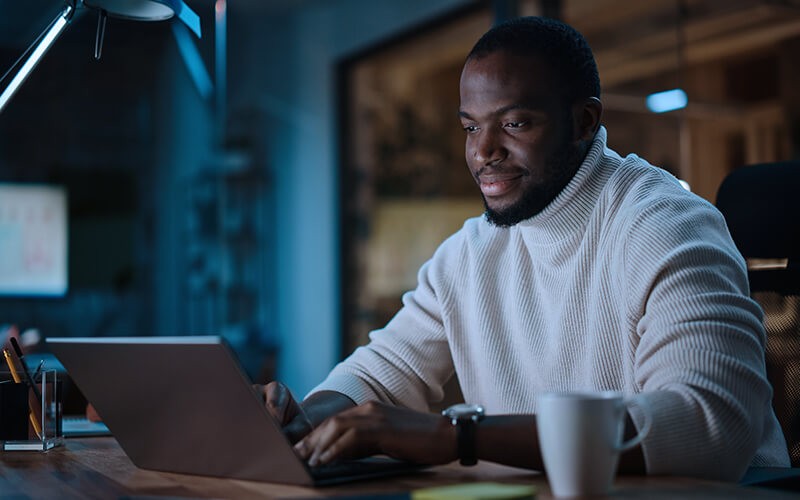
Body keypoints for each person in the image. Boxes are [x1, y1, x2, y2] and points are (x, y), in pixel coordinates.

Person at [258, 16, 790, 480]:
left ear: (583, 121)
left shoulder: (664, 224)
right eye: (471, 127)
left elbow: (706, 425)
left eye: (514, 124)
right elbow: (377, 376)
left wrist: (457, 437)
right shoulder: (469, 254)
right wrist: (303, 420)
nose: (483, 151)